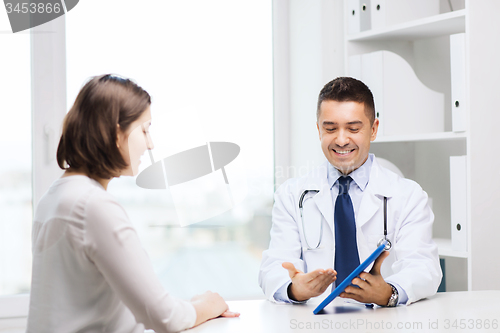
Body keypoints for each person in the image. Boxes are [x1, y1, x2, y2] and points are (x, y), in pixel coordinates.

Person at [26, 74, 239, 332]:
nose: (150, 145)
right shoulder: (92, 206)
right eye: (145, 129)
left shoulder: (54, 197)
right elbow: (163, 317)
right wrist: (208, 305)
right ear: (117, 132)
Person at [259, 77, 442, 307]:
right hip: (314, 325)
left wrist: (388, 292)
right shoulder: (291, 195)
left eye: (353, 128)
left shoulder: (408, 195)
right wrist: (295, 289)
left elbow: (424, 267)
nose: (342, 139)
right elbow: (273, 267)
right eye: (330, 128)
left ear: (373, 129)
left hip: (385, 323)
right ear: (318, 130)